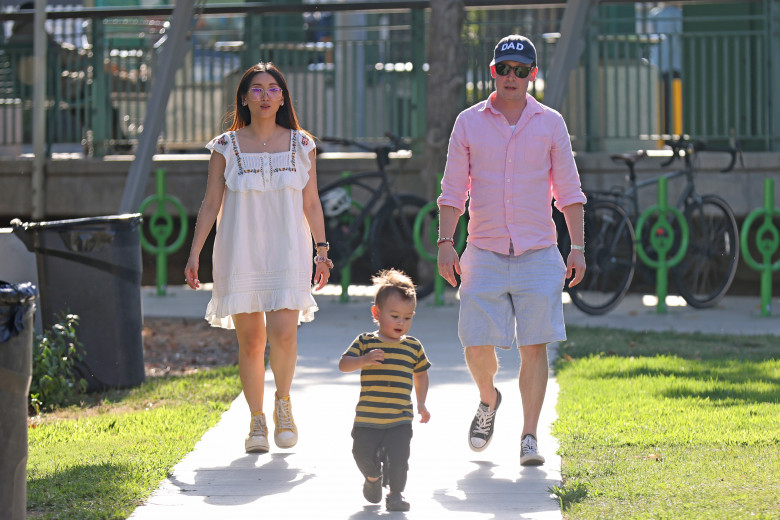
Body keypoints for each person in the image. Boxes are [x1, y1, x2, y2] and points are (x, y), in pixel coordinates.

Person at [436, 35, 586, 466]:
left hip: (539, 252)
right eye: (505, 69)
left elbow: (569, 191)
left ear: (532, 75)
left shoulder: (551, 123)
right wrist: (447, 243)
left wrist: (577, 246)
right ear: (493, 71)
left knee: (534, 345)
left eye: (521, 71)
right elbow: (452, 191)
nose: (512, 78)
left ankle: (529, 436)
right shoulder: (468, 122)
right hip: (481, 249)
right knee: (475, 342)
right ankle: (488, 399)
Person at [185, 62, 332, 454]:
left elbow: (312, 201)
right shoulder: (225, 146)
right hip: (239, 252)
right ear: (245, 98)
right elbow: (211, 202)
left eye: (272, 89)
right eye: (257, 89)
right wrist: (195, 253)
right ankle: (256, 421)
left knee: (284, 334)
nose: (265, 96)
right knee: (251, 342)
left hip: (288, 250)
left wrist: (322, 250)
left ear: (282, 97)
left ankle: (283, 404)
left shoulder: (302, 145)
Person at [338, 269, 431, 512]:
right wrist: (363, 360)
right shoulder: (366, 342)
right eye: (395, 316)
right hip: (368, 419)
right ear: (376, 314)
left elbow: (421, 373)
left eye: (408, 317)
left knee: (400, 460)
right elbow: (343, 364)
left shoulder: (413, 347)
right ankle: (372, 478)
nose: (402, 323)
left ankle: (396, 494)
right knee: (361, 453)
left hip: (400, 419)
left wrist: (421, 403)